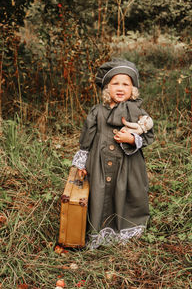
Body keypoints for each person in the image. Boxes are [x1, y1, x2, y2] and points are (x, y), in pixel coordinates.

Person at [72, 58, 154, 249]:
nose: (120, 88)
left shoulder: (137, 112)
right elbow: (87, 139)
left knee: (127, 193)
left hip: (128, 164)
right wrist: (81, 163)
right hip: (98, 162)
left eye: (125, 84)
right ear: (107, 88)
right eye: (115, 83)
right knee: (99, 193)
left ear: (132, 89)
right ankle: (99, 231)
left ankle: (125, 230)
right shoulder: (97, 111)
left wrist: (132, 139)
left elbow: (147, 134)